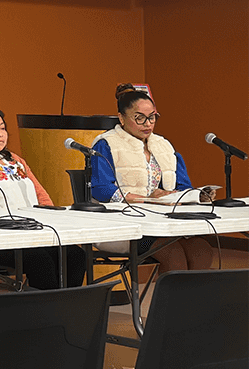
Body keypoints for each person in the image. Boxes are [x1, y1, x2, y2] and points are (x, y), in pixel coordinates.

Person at [0, 107, 86, 289]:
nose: (0, 133)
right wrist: (17, 228)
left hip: (34, 233)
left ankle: (69, 310)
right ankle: (46, 314)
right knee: (40, 260)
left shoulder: (14, 159)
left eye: (3, 128)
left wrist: (46, 224)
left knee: (75, 255)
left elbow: (42, 197)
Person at [91, 83, 213, 275]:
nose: (147, 124)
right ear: (122, 118)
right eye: (139, 118)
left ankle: (192, 305)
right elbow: (102, 189)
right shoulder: (106, 144)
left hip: (162, 222)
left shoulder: (163, 145)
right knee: (173, 254)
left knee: (202, 250)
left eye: (152, 117)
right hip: (122, 224)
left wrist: (195, 196)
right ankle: (168, 305)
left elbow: (182, 186)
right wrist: (150, 198)